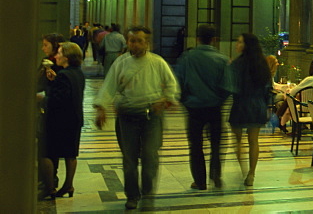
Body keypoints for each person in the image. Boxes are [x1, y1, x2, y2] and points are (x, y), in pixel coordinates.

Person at [94, 26, 179, 210]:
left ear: (147, 43)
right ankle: (132, 195)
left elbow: (171, 85)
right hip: (127, 116)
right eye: (132, 41)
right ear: (128, 42)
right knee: (130, 159)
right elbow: (109, 86)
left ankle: (147, 192)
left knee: (150, 156)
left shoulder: (157, 62)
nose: (135, 44)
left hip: (151, 117)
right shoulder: (121, 63)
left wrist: (166, 99)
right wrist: (102, 107)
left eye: (139, 41)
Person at [174, 24, 229, 190]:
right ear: (214, 39)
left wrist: (185, 100)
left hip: (194, 109)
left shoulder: (187, 58)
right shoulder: (222, 59)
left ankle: (200, 181)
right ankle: (215, 175)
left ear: (197, 39)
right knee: (216, 144)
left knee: (196, 146)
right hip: (214, 108)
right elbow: (227, 86)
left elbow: (179, 82)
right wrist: (219, 100)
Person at [38, 42, 85, 200]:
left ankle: (49, 187)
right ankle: (68, 185)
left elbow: (58, 99)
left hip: (60, 121)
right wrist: (55, 81)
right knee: (70, 153)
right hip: (74, 119)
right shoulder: (77, 72)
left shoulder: (64, 75)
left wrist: (42, 97)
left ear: (67, 57)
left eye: (59, 53)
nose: (56, 56)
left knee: (46, 152)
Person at [227, 32, 272, 187]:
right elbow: (268, 88)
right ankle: (251, 173)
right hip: (258, 105)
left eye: (239, 42)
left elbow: (231, 86)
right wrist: (267, 105)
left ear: (246, 45)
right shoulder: (262, 63)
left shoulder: (236, 64)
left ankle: (243, 169)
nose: (236, 45)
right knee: (254, 141)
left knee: (238, 141)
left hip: (241, 105)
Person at [276, 60, 313, 128]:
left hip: (305, 106)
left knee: (288, 99)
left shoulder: (309, 79)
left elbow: (293, 92)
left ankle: (279, 117)